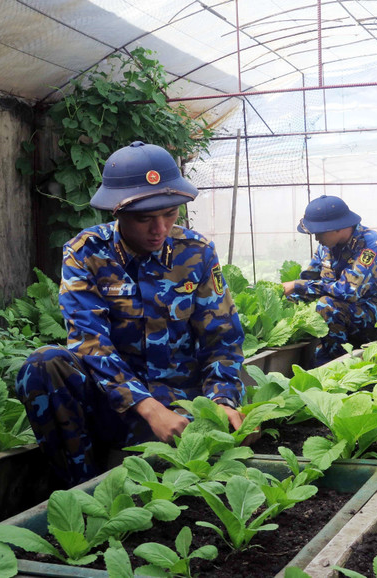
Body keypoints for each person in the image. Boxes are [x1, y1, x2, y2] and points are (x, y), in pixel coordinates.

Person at [15, 141, 248, 487]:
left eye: (169, 214)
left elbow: (222, 339)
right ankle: (82, 489)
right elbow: (90, 342)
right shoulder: (86, 254)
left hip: (181, 404)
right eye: (145, 219)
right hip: (115, 404)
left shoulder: (196, 253)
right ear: (117, 212)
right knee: (43, 365)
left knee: (199, 473)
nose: (160, 229)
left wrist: (222, 400)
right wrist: (148, 407)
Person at [283, 195, 377, 366]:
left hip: (370, 313)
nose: (316, 238)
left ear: (337, 228)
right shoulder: (326, 246)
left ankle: (338, 363)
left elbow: (348, 291)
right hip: (337, 315)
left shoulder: (371, 244)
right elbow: (310, 278)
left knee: (326, 305)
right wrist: (287, 295)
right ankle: (322, 356)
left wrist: (297, 286)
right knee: (295, 300)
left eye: (319, 233)